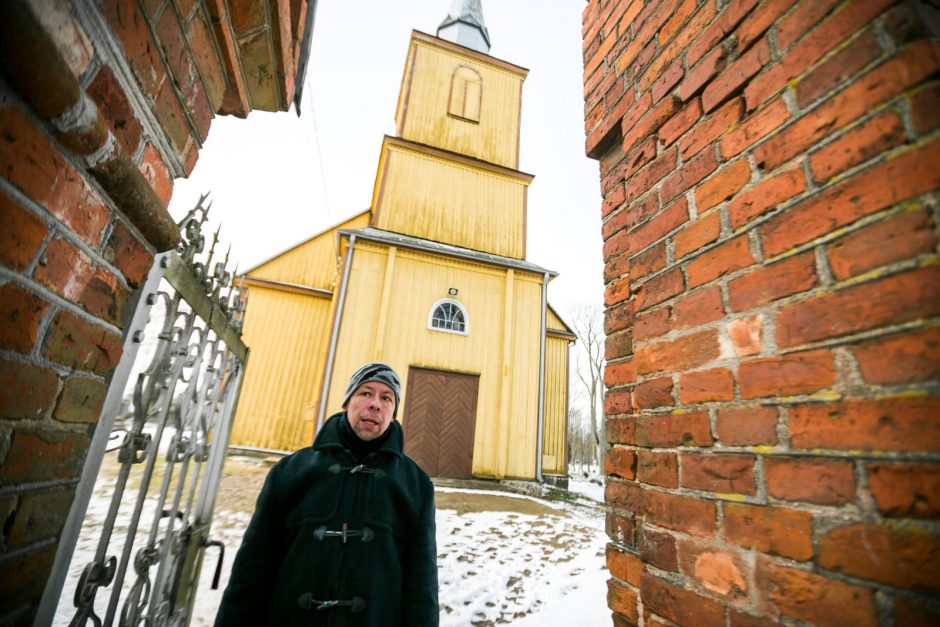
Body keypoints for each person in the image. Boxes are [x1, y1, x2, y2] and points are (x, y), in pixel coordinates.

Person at [215, 362, 439, 626]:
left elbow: (421, 584)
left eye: (386, 398)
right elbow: (251, 569)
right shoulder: (289, 472)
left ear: (393, 412)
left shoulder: (416, 485)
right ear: (346, 403)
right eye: (365, 393)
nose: (375, 404)